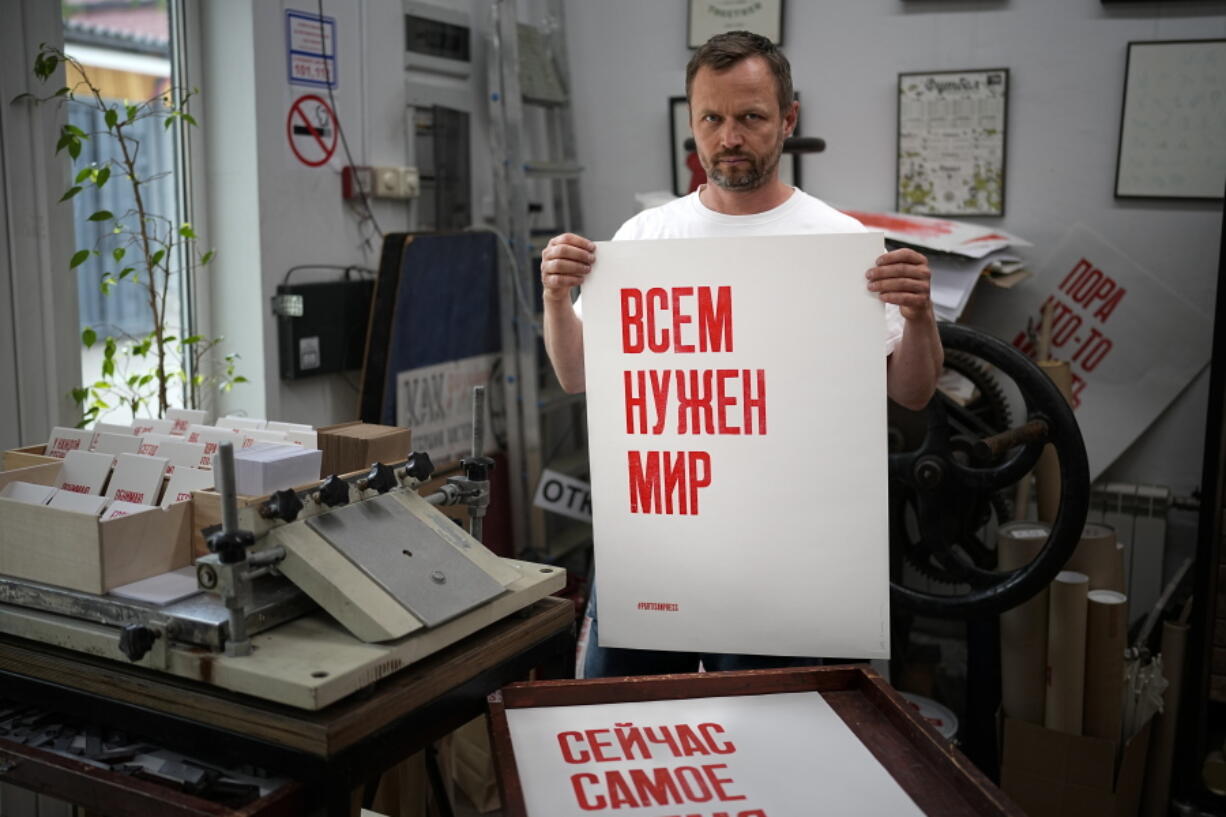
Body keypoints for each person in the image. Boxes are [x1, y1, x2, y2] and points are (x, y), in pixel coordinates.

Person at [539, 31, 944, 678]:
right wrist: (557, 299)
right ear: (693, 123)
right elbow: (577, 373)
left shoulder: (838, 243)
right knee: (630, 723)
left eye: (751, 117)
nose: (729, 137)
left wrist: (921, 315)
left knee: (764, 733)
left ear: (788, 119)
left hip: (779, 562)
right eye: (712, 118)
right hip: (660, 550)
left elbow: (912, 393)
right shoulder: (644, 239)